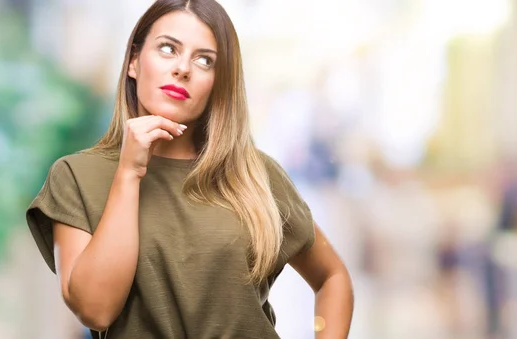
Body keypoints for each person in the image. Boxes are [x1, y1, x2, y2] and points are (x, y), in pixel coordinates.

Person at [25, 1, 354, 338]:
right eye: (168, 48)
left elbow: (332, 278)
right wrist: (128, 173)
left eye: (204, 60)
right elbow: (96, 310)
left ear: (217, 82)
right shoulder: (76, 176)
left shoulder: (256, 174)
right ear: (135, 61)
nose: (183, 68)